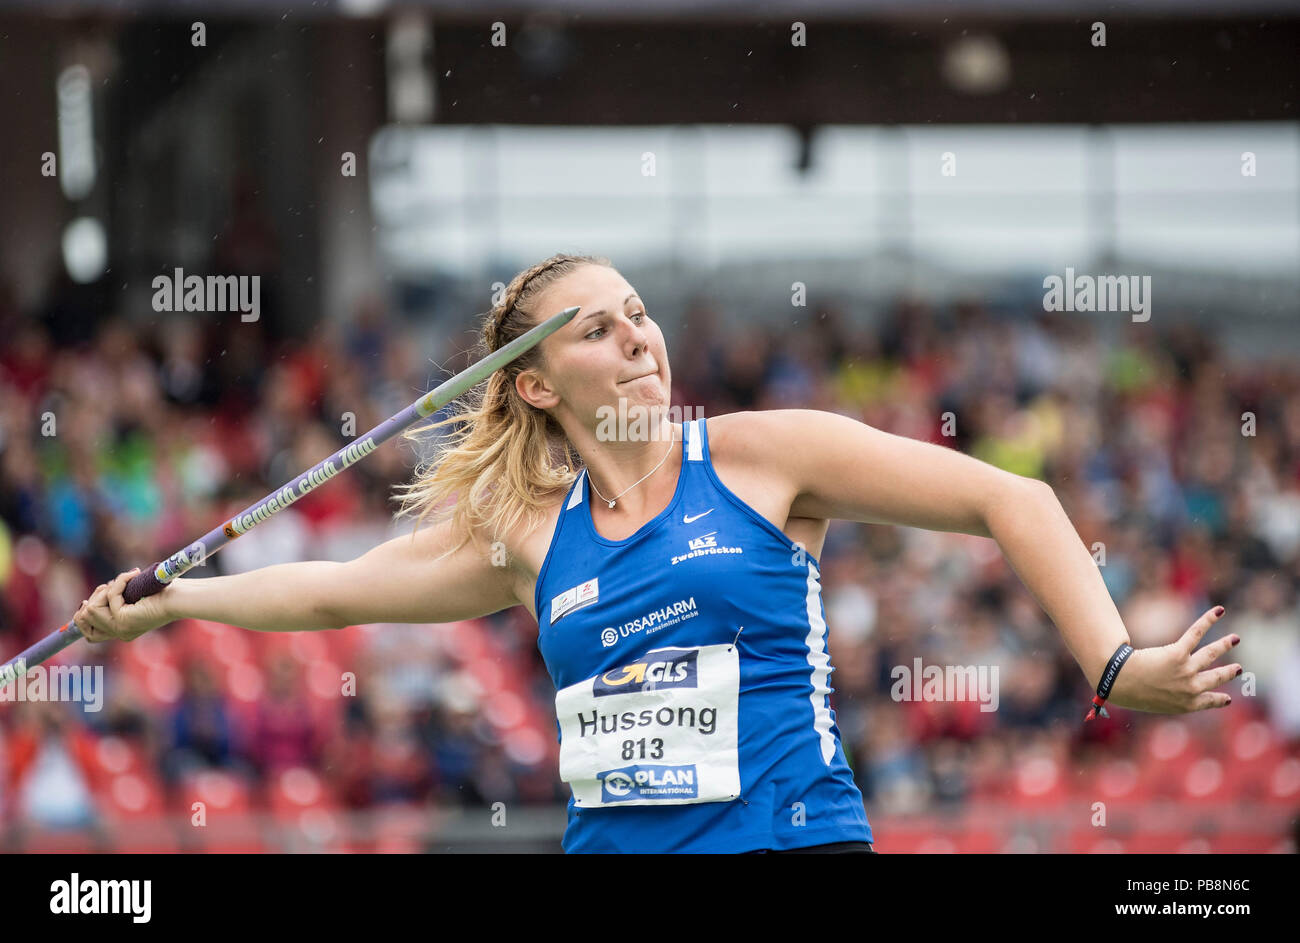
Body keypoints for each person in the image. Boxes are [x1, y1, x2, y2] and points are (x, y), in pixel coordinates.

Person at [73, 253, 1242, 854]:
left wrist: (1111, 666)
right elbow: (332, 593)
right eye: (597, 326)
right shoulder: (533, 542)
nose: (638, 334)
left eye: (639, 312)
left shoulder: (759, 457)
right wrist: (173, 603)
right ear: (534, 382)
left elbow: (1013, 499)